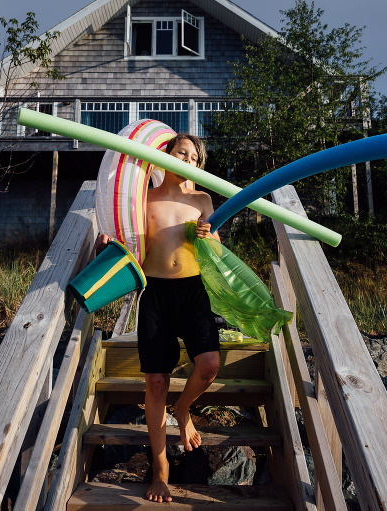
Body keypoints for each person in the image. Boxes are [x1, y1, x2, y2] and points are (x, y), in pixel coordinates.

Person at [97, 133, 220, 503]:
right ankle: (161, 470)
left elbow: (216, 246)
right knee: (155, 382)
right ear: (164, 154)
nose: (187, 159)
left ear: (199, 166)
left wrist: (210, 235)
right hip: (154, 294)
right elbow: (127, 240)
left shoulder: (202, 199)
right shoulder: (142, 198)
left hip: (193, 290)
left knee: (210, 364)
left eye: (194, 157)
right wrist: (107, 242)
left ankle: (182, 410)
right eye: (180, 151)